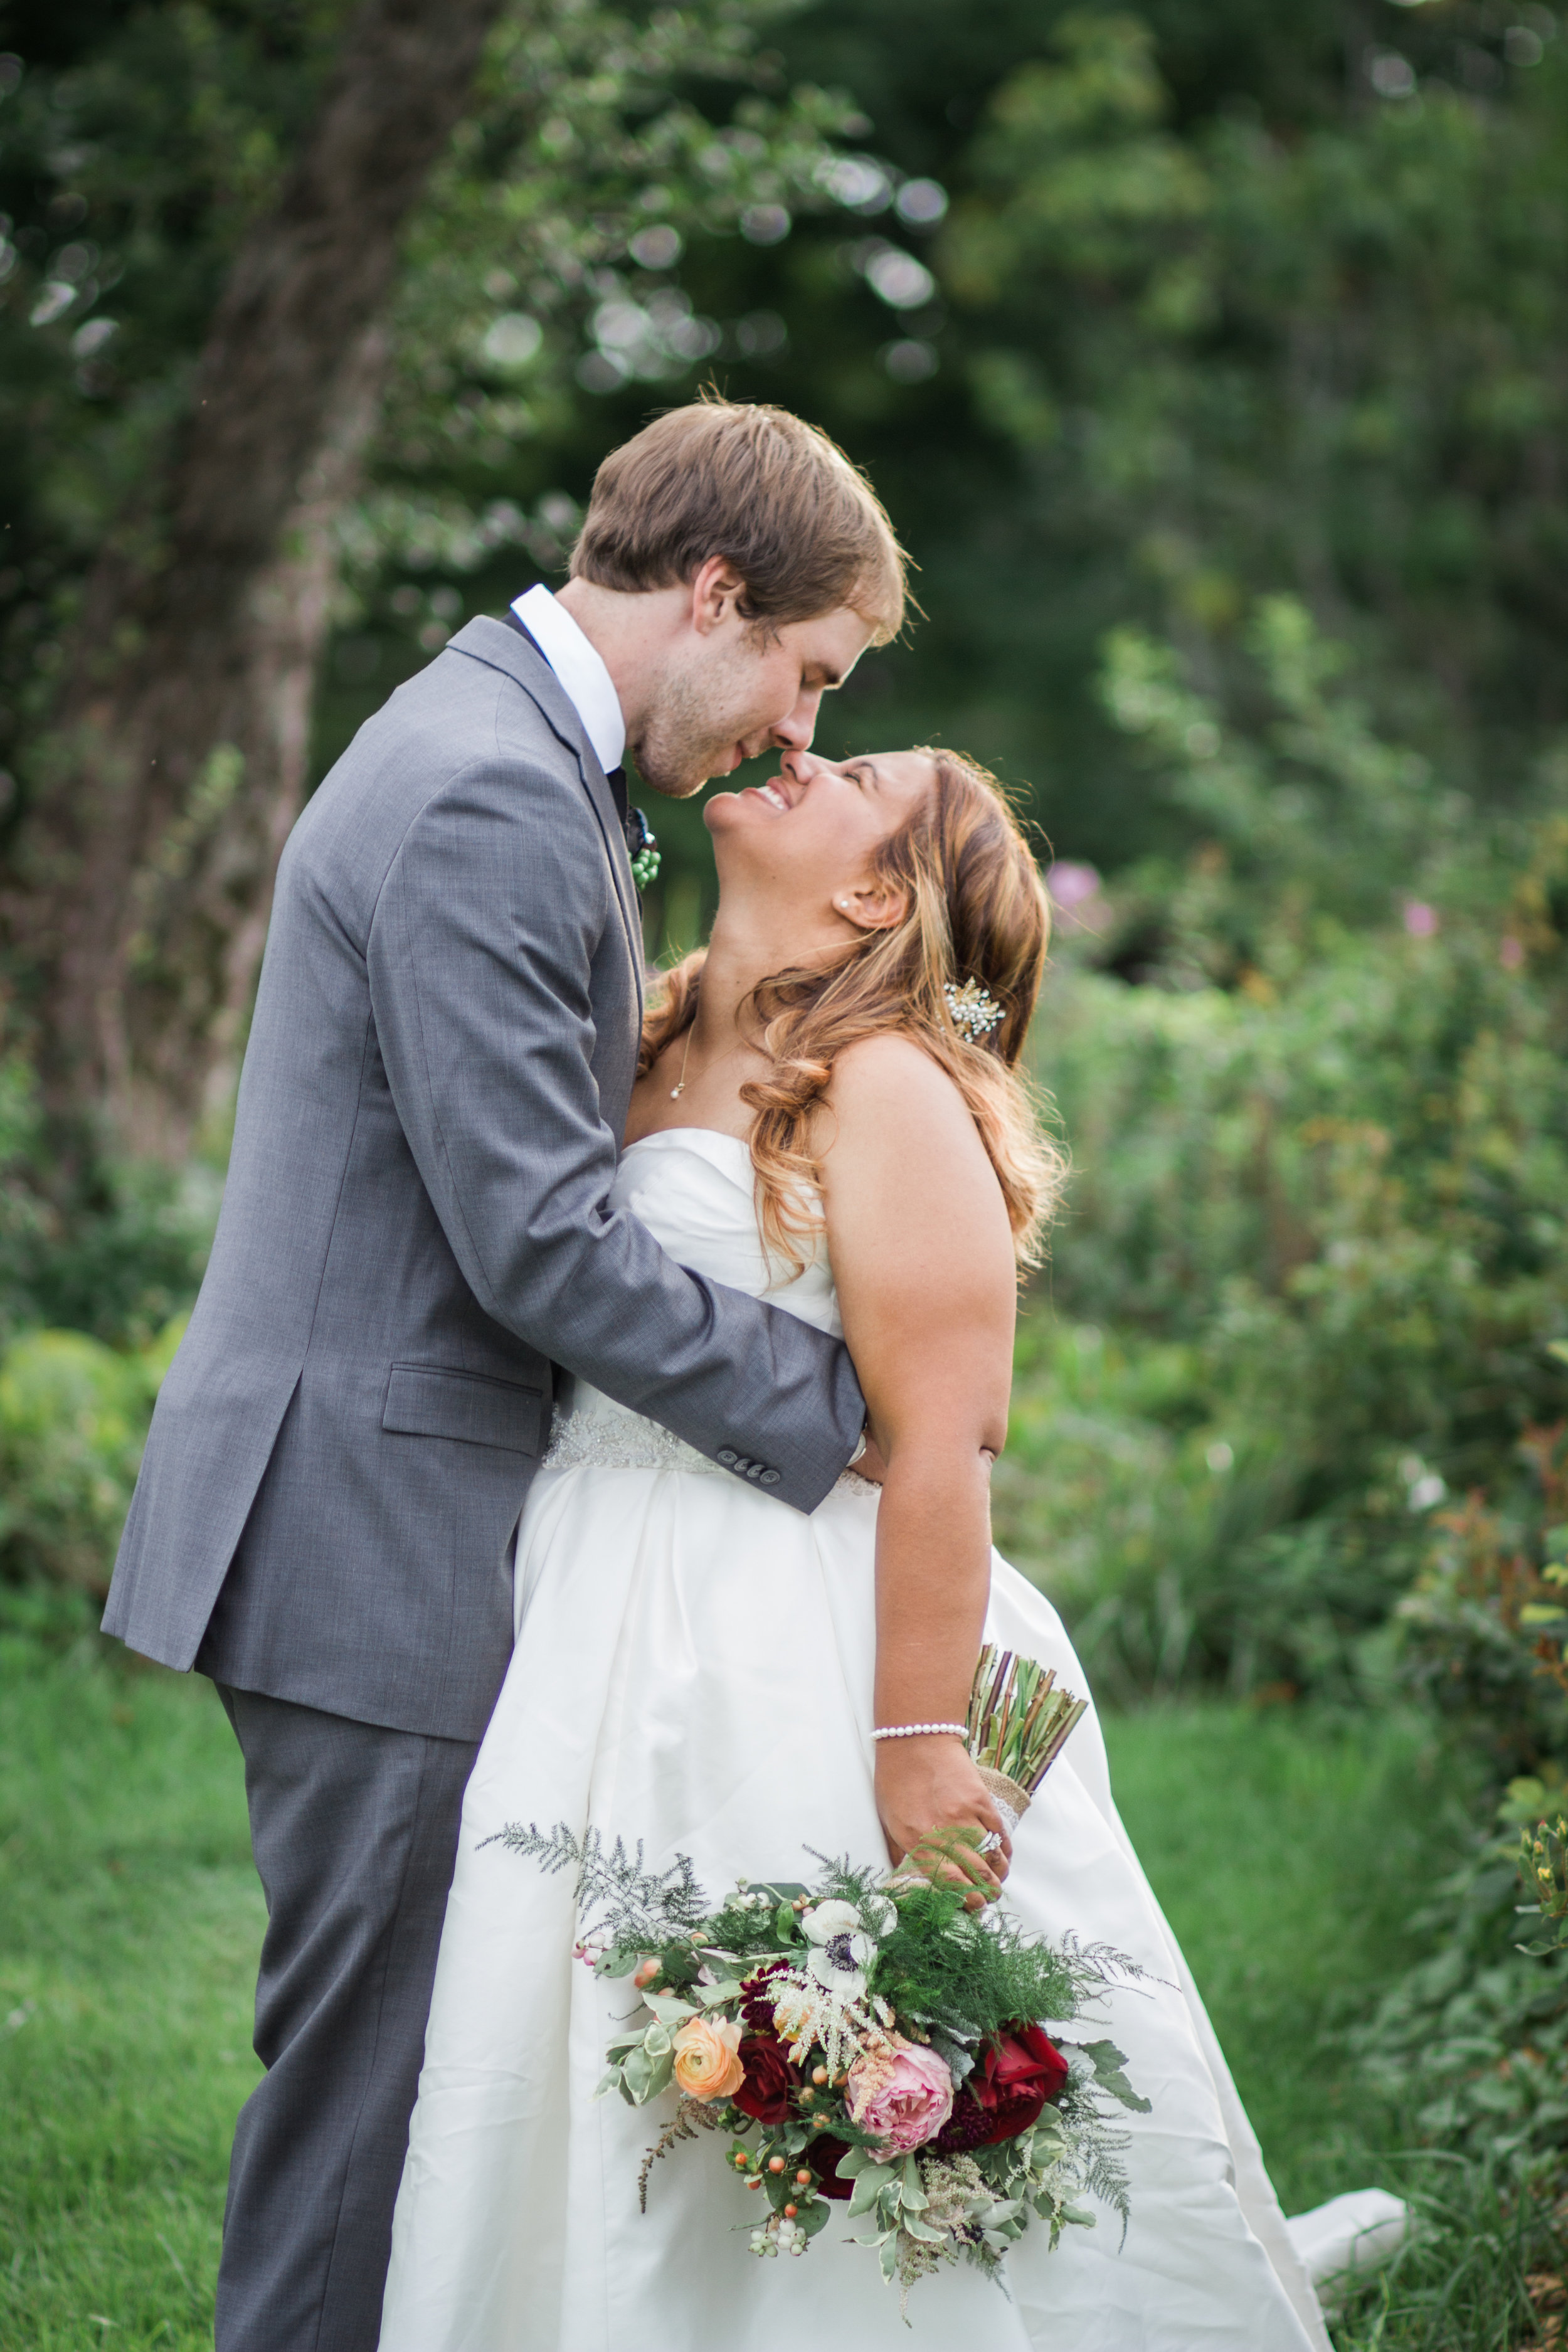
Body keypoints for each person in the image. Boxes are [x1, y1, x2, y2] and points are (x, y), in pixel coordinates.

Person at [99, 398, 908, 2352]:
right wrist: (837, 1417)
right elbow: (538, 1238)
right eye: (805, 674)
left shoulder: (506, 752)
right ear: (713, 590)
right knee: (364, 2105)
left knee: (395, 2072)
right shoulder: (486, 787)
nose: (798, 733)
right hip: (363, 1523)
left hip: (365, 1502)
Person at [376, 744, 1338, 2350]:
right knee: (583, 2019)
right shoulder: (656, 1031)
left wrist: (913, 1743)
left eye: (855, 771)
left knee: (807, 2025)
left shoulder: (887, 1083)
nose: (799, 748)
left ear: (873, 891)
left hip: (790, 1621)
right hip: (589, 1594)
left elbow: (946, 1438)